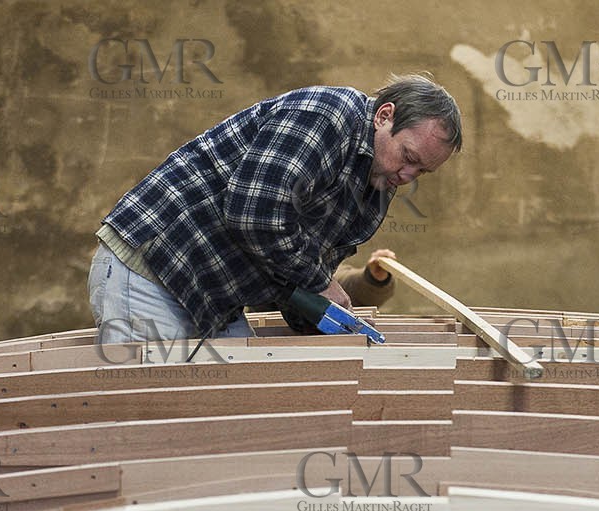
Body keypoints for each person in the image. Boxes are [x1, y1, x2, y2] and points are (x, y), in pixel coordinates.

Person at [89, 75, 460, 348]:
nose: (408, 175)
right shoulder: (327, 116)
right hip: (150, 271)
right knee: (159, 411)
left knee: (237, 402)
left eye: (422, 171)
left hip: (212, 298)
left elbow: (295, 270)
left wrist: (325, 317)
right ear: (384, 116)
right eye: (408, 157)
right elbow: (254, 214)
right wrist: (319, 284)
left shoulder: (376, 181)